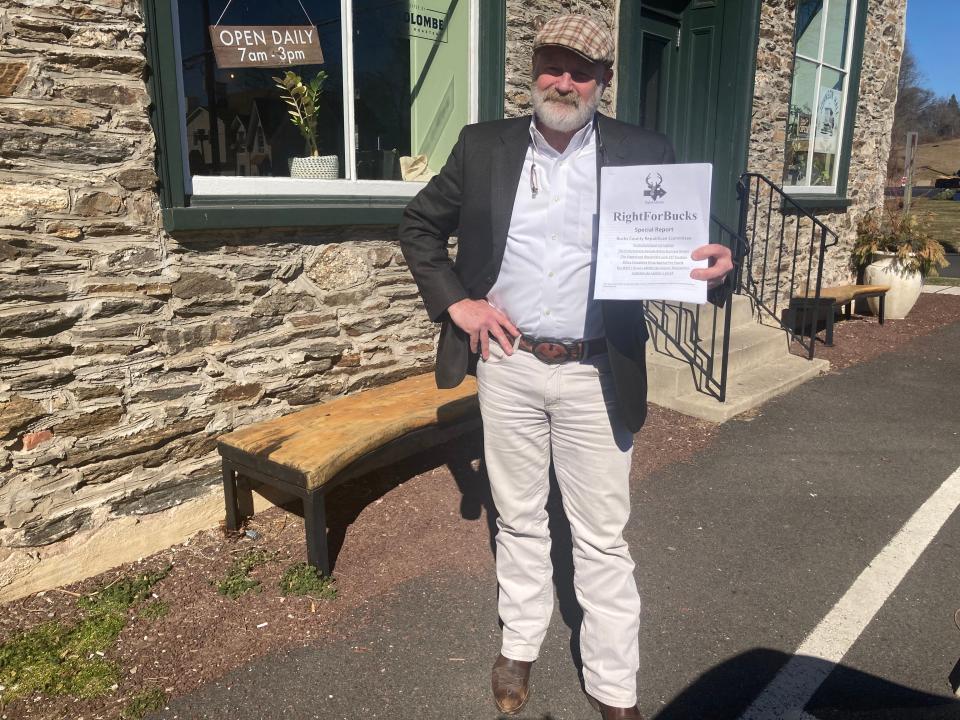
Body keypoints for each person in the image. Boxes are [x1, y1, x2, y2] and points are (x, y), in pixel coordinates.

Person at [399, 13, 733, 719]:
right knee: (518, 519)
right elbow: (419, 226)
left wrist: (720, 267)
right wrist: (457, 305)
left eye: (582, 69)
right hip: (509, 363)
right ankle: (519, 643)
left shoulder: (644, 150)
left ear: (604, 80)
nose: (564, 80)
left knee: (601, 534)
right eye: (553, 63)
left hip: (594, 370)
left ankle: (616, 690)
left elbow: (694, 247)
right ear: (533, 67)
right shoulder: (483, 146)